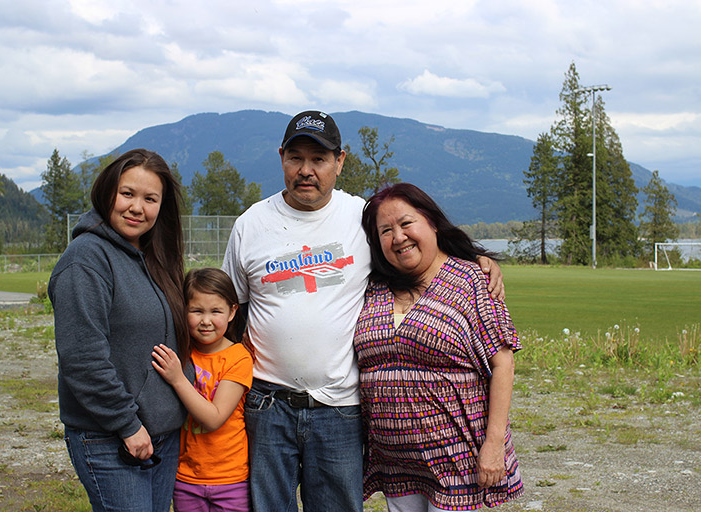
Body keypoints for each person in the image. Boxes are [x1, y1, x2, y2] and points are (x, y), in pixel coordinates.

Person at [222, 111, 505, 512]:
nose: (306, 170)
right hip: (268, 404)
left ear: (340, 161)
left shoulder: (363, 218)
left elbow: (411, 245)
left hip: (339, 408)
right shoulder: (250, 225)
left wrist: (476, 259)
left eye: (319, 159)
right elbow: (230, 312)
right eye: (296, 158)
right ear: (281, 156)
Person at [354, 182, 524, 511]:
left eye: (406, 223)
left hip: (458, 459)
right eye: (385, 230)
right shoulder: (373, 287)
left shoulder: (472, 280)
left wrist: (494, 442)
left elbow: (503, 362)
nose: (398, 237)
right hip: (396, 464)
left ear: (431, 222)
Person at [49, 149, 191, 512]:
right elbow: (82, 357)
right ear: (107, 191)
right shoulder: (85, 260)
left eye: (150, 199)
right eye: (127, 193)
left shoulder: (153, 257)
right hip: (110, 437)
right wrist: (126, 425)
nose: (137, 208)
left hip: (161, 434)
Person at [151, 268, 254, 512]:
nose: (206, 321)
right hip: (186, 478)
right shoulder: (182, 353)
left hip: (231, 479)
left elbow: (214, 418)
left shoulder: (238, 358)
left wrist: (178, 379)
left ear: (232, 312)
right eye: (197, 311)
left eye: (215, 311)